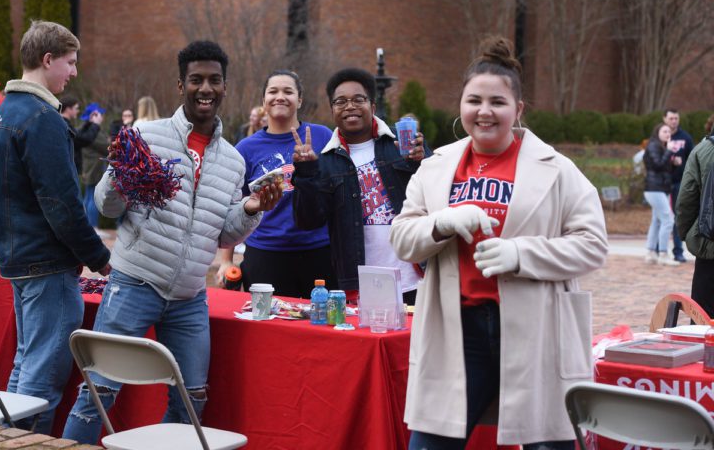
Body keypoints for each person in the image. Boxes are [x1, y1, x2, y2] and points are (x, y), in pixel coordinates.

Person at [389, 37, 608, 449]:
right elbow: (402, 238)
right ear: (461, 105)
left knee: (549, 440)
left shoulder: (558, 170)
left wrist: (521, 254)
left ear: (518, 109)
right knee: (430, 443)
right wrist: (442, 223)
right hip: (460, 331)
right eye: (474, 100)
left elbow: (593, 244)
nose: (484, 112)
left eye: (497, 102)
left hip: (538, 329)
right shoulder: (435, 168)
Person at [62, 40, 281, 444]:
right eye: (196, 79)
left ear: (225, 87)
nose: (206, 88)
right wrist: (121, 171)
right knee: (98, 393)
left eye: (214, 80)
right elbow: (105, 205)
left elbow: (225, 233)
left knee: (191, 399)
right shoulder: (146, 135)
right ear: (181, 85)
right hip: (133, 285)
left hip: (189, 298)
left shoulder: (233, 160)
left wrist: (252, 208)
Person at [0, 20, 111, 434]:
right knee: (40, 382)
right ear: (47, 60)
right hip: (47, 266)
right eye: (70, 62)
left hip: (20, 261)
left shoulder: (6, 113)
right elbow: (61, 204)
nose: (73, 72)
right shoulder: (42, 118)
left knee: (25, 367)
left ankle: (4, 441)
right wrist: (98, 257)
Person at [291, 68, 427, 304]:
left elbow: (437, 192)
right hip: (361, 282)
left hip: (417, 275)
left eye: (358, 99)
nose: (350, 106)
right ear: (332, 110)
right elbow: (308, 221)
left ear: (372, 107)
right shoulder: (325, 161)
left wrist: (421, 160)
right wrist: (306, 174)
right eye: (340, 101)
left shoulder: (401, 144)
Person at [216, 71, 334, 298]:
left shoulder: (322, 136)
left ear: (299, 100)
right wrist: (226, 261)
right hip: (265, 253)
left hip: (318, 251)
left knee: (319, 325)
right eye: (273, 91)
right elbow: (232, 206)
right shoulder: (245, 148)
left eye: (288, 91)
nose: (280, 96)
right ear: (263, 102)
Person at [676, 128, 714, 316]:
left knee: (703, 317)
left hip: (709, 242)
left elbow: (687, 198)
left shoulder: (702, 151)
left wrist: (685, 233)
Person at [643, 123, 680, 266]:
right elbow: (657, 165)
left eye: (669, 132)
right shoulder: (653, 146)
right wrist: (669, 152)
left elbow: (662, 168)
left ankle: (651, 252)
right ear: (657, 132)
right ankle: (663, 254)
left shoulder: (661, 147)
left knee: (657, 220)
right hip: (654, 189)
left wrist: (673, 163)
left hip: (660, 188)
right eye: (664, 131)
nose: (667, 134)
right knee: (668, 219)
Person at [664, 108, 694, 262]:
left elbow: (692, 160)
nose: (674, 121)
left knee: (677, 217)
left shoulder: (685, 138)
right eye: (671, 118)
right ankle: (657, 250)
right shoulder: (661, 136)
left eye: (676, 118)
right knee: (660, 218)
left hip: (679, 183)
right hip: (661, 184)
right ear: (665, 119)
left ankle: (678, 251)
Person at [59, 97, 104, 174]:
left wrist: (89, 122)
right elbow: (85, 139)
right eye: (76, 108)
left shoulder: (63, 123)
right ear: (68, 109)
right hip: (68, 170)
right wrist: (96, 124)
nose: (78, 111)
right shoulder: (64, 125)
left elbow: (78, 134)